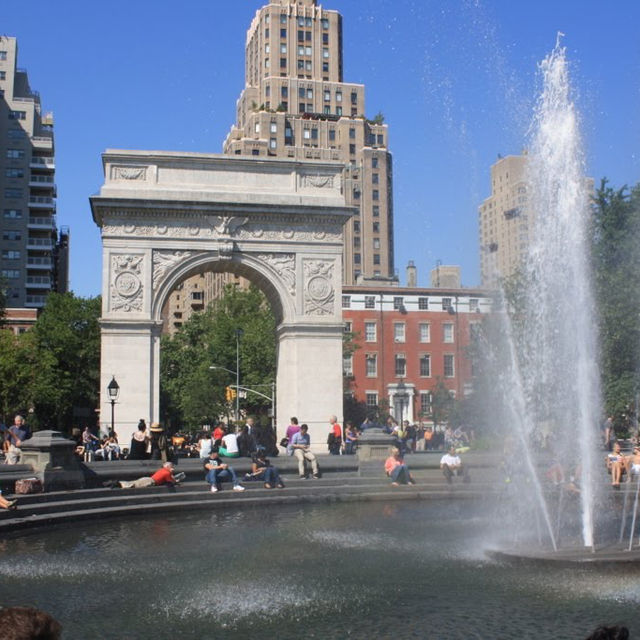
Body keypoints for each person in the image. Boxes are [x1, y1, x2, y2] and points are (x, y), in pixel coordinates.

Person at [116, 461, 184, 489]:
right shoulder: (167, 472)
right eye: (171, 466)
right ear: (168, 467)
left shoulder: (162, 470)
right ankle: (117, 484)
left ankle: (118, 483)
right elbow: (171, 481)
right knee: (133, 485)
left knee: (133, 482)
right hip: (150, 482)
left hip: (148, 479)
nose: (172, 468)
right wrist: (176, 481)